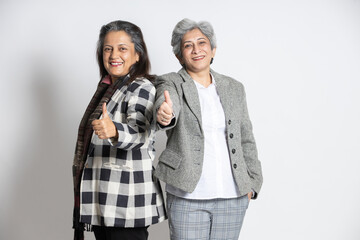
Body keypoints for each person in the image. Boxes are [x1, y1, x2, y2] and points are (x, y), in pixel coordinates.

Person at [154, 18, 263, 240]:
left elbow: (246, 138)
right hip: (187, 196)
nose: (196, 50)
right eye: (188, 45)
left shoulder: (234, 87)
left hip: (233, 196)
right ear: (179, 55)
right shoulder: (171, 82)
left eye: (202, 43)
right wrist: (165, 112)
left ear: (213, 49)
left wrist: (253, 180)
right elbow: (166, 103)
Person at [72, 20, 166, 240]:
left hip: (126, 204)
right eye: (108, 48)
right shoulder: (107, 88)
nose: (114, 55)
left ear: (137, 55)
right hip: (103, 201)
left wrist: (114, 130)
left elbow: (141, 133)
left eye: (123, 48)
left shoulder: (140, 86)